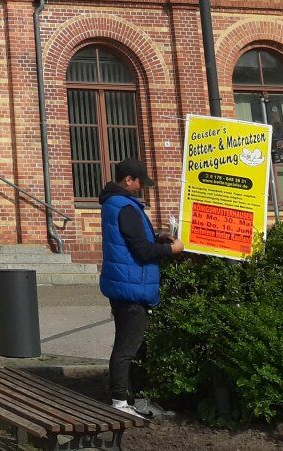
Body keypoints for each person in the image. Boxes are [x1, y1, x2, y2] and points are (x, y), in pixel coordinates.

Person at [99, 157, 183, 419]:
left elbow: (132, 240)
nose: (141, 187)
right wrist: (171, 248)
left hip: (125, 283)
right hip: (131, 286)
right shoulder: (125, 206)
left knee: (136, 346)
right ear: (128, 180)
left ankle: (139, 400)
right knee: (127, 347)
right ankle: (120, 401)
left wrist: (157, 236)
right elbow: (142, 250)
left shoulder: (115, 204)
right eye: (139, 182)